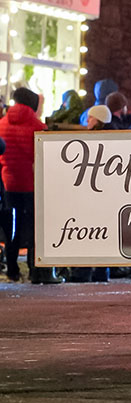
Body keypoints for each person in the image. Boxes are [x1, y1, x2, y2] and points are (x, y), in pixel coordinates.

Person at [0, 88, 62, 284]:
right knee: (35, 227)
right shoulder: (38, 126)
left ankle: (12, 269)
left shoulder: (1, 124)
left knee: (12, 227)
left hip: (8, 182)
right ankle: (36, 270)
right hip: (31, 182)